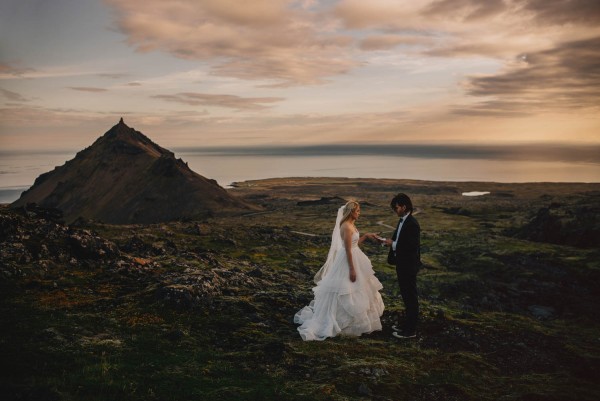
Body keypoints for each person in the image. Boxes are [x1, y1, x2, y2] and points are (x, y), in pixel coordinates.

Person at [294, 201, 385, 341]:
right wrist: (352, 269)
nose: (359, 213)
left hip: (354, 256)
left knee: (359, 288)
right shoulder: (346, 226)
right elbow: (348, 249)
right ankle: (341, 322)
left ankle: (355, 321)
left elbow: (353, 244)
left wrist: (365, 236)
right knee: (345, 288)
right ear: (351, 211)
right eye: (358, 211)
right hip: (348, 260)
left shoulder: (351, 225)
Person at [383, 193, 421, 339]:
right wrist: (386, 242)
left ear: (404, 207)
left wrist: (391, 244)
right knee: (406, 297)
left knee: (411, 298)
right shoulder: (402, 221)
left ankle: (410, 331)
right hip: (402, 265)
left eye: (396, 207)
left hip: (408, 267)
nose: (395, 210)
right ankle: (406, 327)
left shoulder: (412, 224)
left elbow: (411, 247)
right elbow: (398, 239)